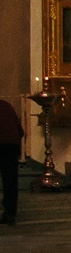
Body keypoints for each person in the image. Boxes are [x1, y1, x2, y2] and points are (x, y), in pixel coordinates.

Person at [0, 95, 20, 225]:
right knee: (10, 180)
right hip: (12, 144)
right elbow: (19, 129)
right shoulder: (6, 105)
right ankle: (10, 213)